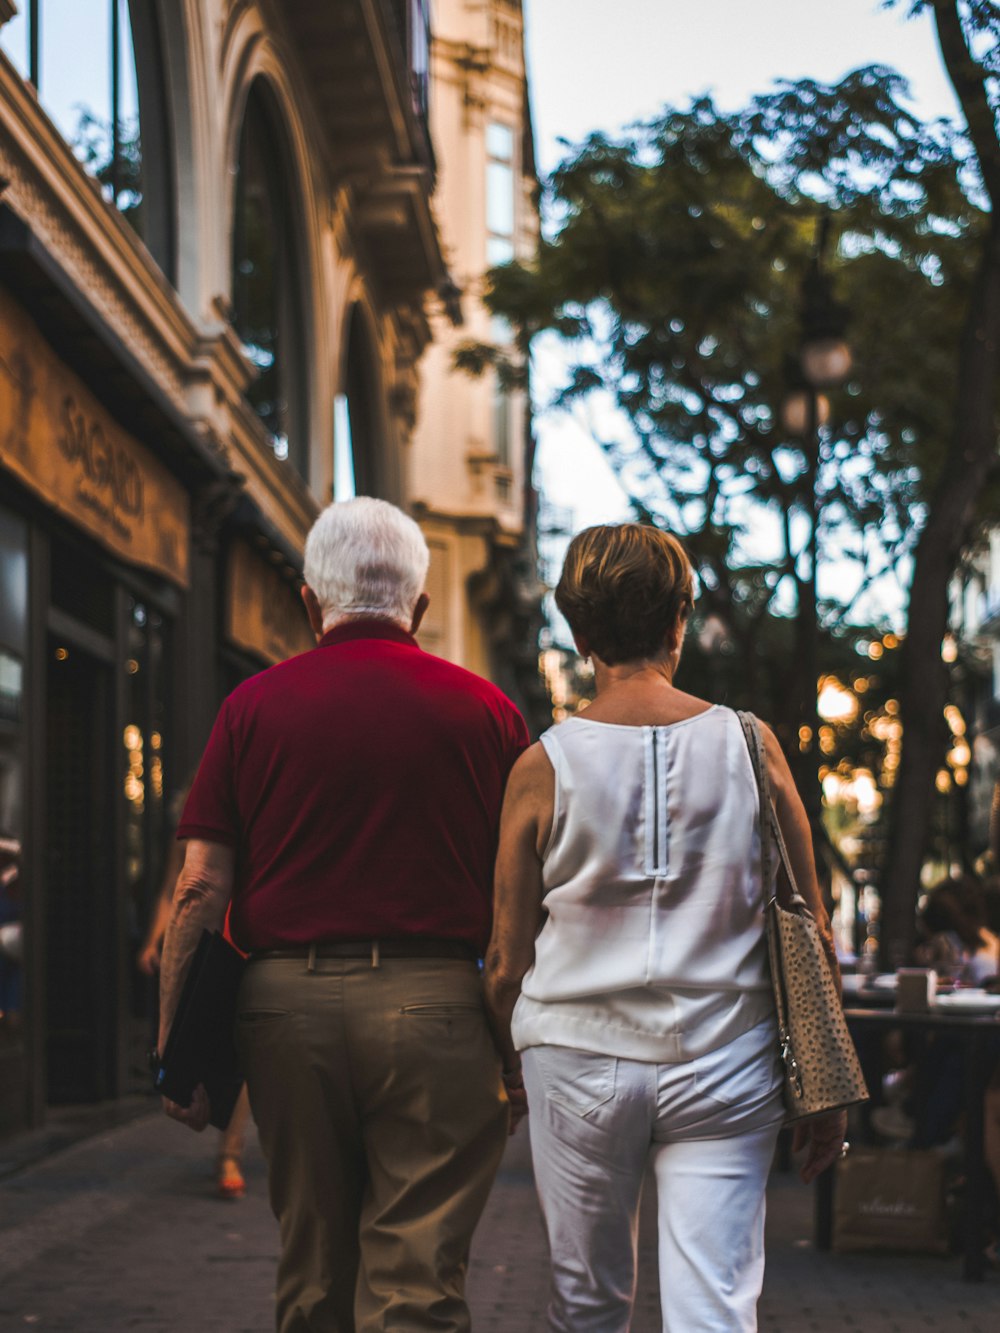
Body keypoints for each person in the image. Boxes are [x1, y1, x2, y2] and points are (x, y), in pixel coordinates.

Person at [158, 497, 529, 1333]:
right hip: (438, 1007)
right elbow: (518, 906)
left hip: (285, 1008)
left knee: (312, 1265)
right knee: (419, 1280)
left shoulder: (252, 708)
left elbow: (198, 887)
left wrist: (176, 1046)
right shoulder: (489, 715)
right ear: (421, 607)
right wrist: (512, 1053)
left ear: (308, 601)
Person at [484, 522, 846, 1333]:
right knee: (714, 1307)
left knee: (585, 1305)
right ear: (680, 620)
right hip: (726, 1057)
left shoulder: (543, 765)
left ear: (579, 633)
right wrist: (825, 1088)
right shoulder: (753, 746)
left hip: (576, 1061)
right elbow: (811, 927)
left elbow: (507, 956)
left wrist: (511, 1069)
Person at [137, 791, 252, 1200]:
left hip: (238, 944)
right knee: (214, 1049)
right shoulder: (187, 833)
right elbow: (174, 890)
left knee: (241, 1054)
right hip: (199, 944)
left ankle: (230, 1155)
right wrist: (154, 942)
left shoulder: (249, 817)